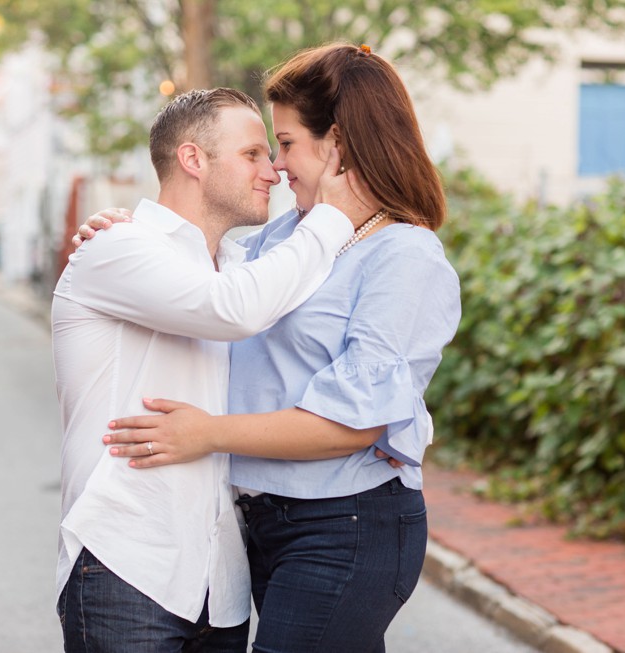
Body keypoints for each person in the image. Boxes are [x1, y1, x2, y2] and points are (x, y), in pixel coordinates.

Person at [80, 43, 462, 652]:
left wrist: (209, 433)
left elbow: (352, 427)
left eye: (284, 144)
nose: (278, 167)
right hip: (261, 523)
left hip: (348, 523)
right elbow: (215, 290)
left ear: (338, 144)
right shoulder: (288, 234)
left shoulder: (404, 257)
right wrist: (132, 231)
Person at [51, 87, 374, 652]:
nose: (273, 170)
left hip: (219, 583)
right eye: (252, 154)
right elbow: (230, 309)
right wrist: (330, 219)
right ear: (193, 160)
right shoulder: (116, 249)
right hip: (126, 565)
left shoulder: (238, 264)